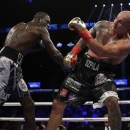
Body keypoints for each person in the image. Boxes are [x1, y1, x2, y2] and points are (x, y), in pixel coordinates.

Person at [46, 10, 130, 130]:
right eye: (117, 18)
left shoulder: (126, 44)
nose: (115, 22)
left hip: (102, 76)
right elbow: (86, 39)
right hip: (82, 70)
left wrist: (82, 30)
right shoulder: (102, 25)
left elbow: (101, 51)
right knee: (57, 104)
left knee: (113, 103)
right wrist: (73, 52)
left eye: (121, 22)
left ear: (128, 29)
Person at [0, 12, 63, 130]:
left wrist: (39, 44)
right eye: (47, 21)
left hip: (11, 64)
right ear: (39, 20)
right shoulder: (40, 28)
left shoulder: (18, 26)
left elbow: (18, 48)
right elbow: (54, 53)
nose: (48, 25)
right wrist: (65, 63)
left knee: (29, 104)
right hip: (9, 65)